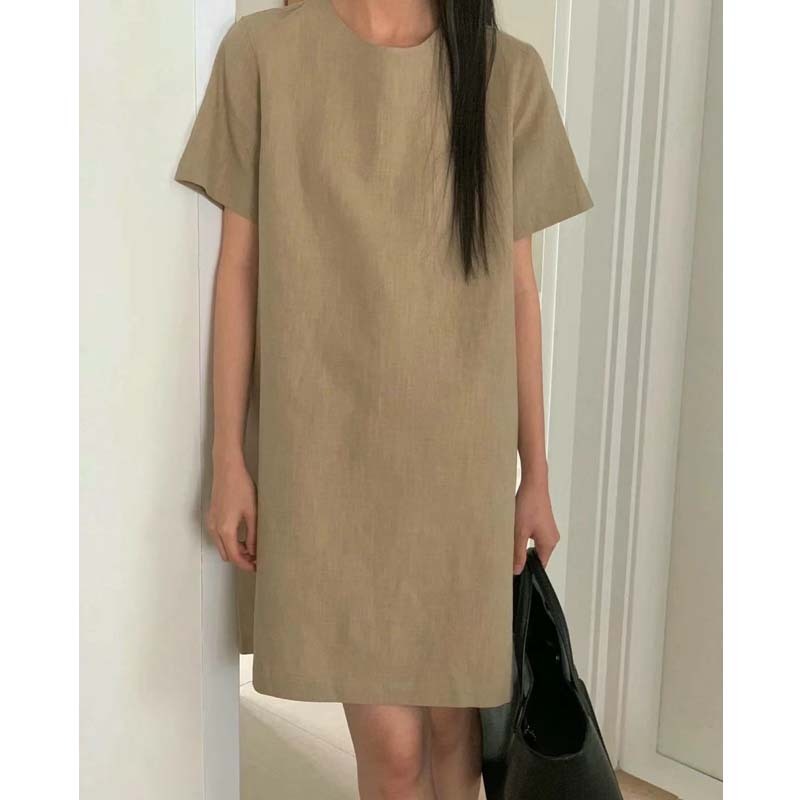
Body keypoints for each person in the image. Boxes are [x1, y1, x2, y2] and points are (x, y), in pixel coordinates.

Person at [175, 1, 592, 797]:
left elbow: (519, 291)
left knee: (457, 744)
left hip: (460, 469)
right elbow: (239, 268)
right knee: (396, 756)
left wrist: (534, 473)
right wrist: (228, 455)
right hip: (328, 456)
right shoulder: (263, 53)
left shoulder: (505, 74)